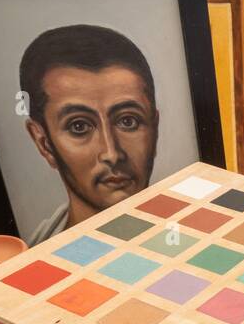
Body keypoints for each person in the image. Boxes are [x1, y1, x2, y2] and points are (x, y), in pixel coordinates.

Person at [20, 24, 160, 245]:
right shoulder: (32, 253)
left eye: (128, 121)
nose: (111, 154)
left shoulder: (192, 226)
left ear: (155, 126)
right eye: (79, 126)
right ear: (44, 143)